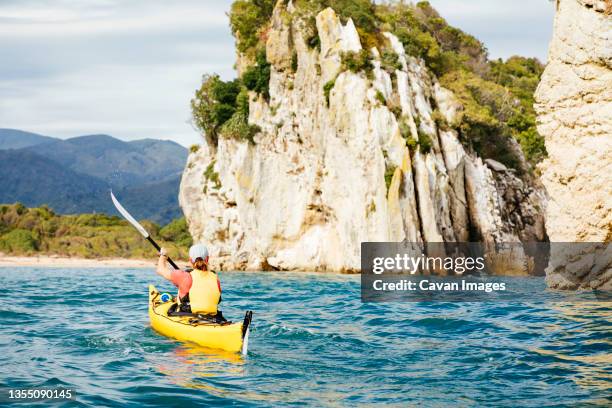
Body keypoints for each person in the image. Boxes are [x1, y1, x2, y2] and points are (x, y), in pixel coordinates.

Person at [156, 243, 221, 316]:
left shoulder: (184, 276)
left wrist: (163, 255)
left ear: (190, 260)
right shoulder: (215, 278)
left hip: (189, 317)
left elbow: (160, 269)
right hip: (213, 318)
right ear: (207, 259)